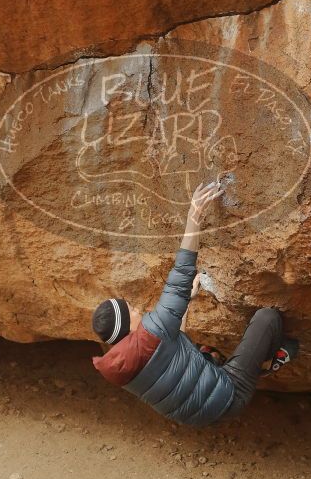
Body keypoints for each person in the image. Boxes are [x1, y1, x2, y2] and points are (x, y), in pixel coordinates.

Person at [91, 181, 299, 427]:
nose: (138, 309)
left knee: (203, 352)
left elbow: (172, 342)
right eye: (132, 310)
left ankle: (226, 364)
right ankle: (275, 357)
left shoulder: (121, 366)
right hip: (231, 393)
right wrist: (194, 216)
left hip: (200, 416)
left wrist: (187, 300)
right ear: (126, 325)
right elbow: (181, 273)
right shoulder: (154, 331)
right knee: (267, 319)